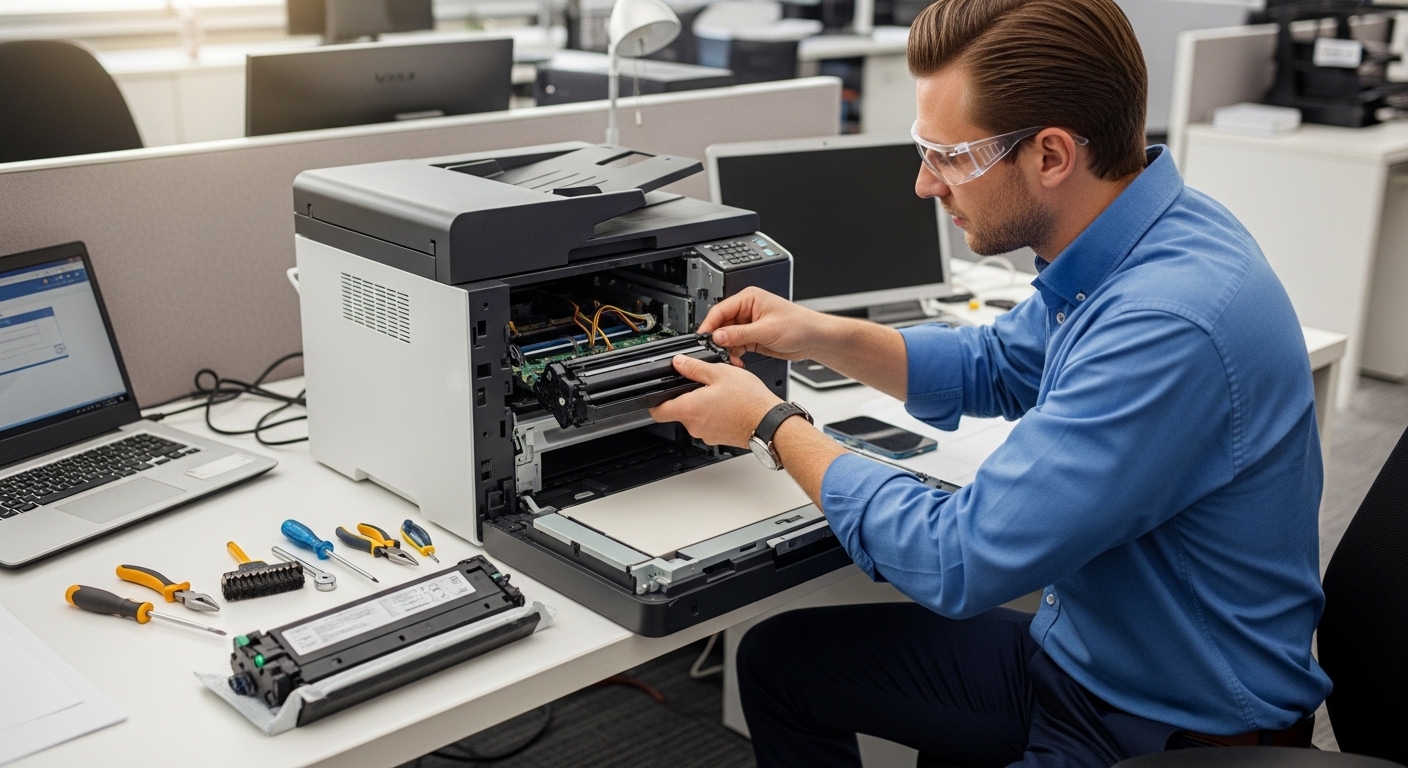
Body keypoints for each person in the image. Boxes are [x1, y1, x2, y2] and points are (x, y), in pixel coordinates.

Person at [647, 0, 1332, 765]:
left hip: (1163, 729)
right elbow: (998, 364)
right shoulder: (1141, 233)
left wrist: (773, 426)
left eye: (950, 157)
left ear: (1050, 156)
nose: (924, 184)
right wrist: (818, 332)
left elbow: (959, 559)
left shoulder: (1169, 321)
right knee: (779, 664)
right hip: (1084, 660)